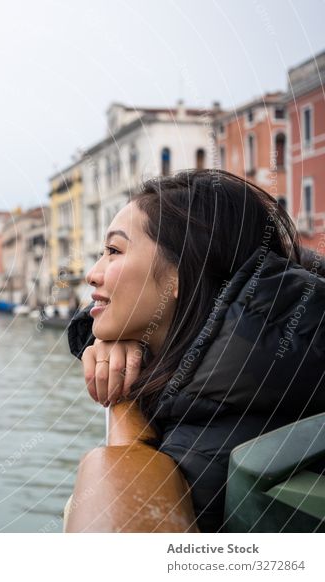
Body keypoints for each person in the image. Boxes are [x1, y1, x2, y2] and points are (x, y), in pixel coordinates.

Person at [67, 169, 325, 532]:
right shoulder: (238, 362)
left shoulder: (214, 432)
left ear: (179, 276)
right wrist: (121, 339)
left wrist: (124, 406)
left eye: (113, 251)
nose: (93, 274)